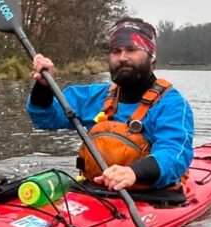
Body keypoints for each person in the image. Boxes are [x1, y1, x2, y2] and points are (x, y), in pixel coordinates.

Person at [27, 17, 194, 194]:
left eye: (131, 50)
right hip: (95, 191)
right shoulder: (94, 96)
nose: (122, 58)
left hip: (150, 195)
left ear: (151, 58)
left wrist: (133, 172)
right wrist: (43, 87)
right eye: (116, 51)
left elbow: (175, 153)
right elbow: (45, 117)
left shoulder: (172, 105)